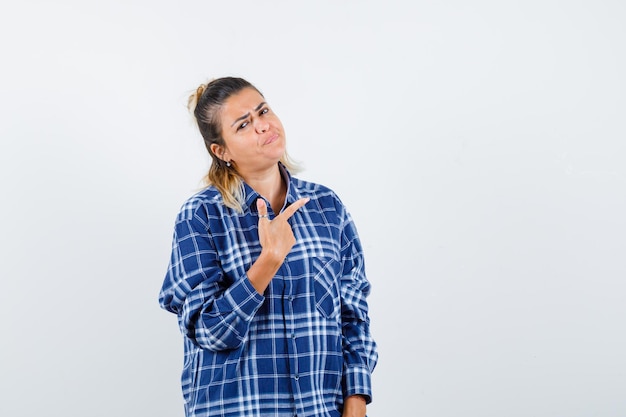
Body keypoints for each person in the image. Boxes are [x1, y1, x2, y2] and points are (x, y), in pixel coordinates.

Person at [158, 76, 378, 417]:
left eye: (263, 111)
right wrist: (268, 261)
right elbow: (210, 332)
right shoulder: (200, 215)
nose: (263, 126)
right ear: (222, 151)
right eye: (244, 124)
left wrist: (356, 402)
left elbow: (353, 316)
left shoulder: (326, 207)